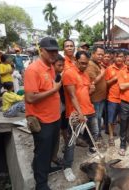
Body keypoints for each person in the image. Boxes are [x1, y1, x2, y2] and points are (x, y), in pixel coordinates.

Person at [24, 37, 61, 190]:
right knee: (42, 151)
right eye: (50, 51)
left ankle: (44, 169)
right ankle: (41, 183)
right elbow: (30, 98)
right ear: (41, 50)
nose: (54, 54)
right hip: (42, 119)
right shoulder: (33, 69)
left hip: (54, 117)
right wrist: (54, 89)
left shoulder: (51, 67)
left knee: (50, 148)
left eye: (55, 51)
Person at [62, 50, 98, 181]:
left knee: (95, 132)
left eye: (86, 64)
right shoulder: (69, 73)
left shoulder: (86, 74)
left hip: (89, 109)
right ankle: (67, 167)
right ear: (76, 61)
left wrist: (91, 91)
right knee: (72, 141)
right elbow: (72, 96)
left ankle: (91, 151)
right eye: (82, 63)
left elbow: (86, 94)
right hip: (76, 113)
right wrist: (80, 113)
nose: (84, 66)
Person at [85, 46, 107, 140]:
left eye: (102, 54)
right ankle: (94, 137)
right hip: (95, 98)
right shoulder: (90, 65)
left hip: (100, 98)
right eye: (99, 54)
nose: (100, 56)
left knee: (98, 117)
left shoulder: (97, 64)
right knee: (95, 118)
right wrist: (102, 73)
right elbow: (92, 81)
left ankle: (96, 135)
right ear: (93, 54)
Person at [105, 50, 126, 146]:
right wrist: (113, 79)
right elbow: (105, 83)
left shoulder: (127, 68)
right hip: (112, 99)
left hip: (124, 99)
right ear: (114, 57)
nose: (119, 58)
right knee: (111, 119)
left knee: (124, 119)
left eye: (121, 56)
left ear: (124, 58)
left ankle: (124, 136)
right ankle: (111, 137)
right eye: (117, 56)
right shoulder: (109, 69)